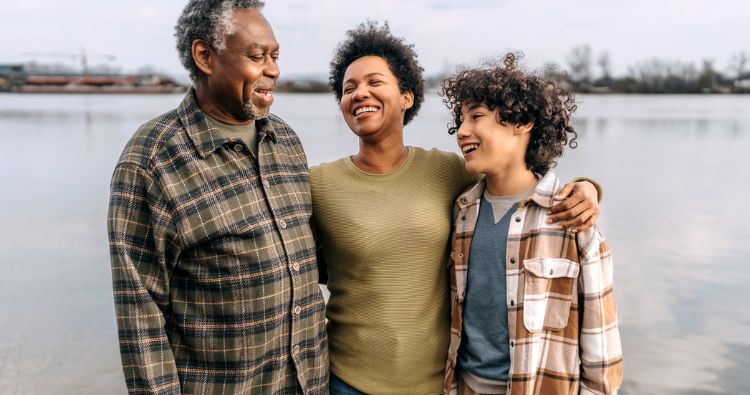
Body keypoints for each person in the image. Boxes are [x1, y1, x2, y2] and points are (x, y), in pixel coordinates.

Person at [310, 22, 602, 395]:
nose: (359, 93)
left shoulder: (449, 172)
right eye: (348, 88)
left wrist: (589, 189)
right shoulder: (319, 183)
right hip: (348, 382)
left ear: (407, 97)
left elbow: (517, 184)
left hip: (440, 383)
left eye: (374, 82)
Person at [107, 1, 327, 393]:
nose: (273, 70)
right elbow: (141, 319)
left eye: (275, 56)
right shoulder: (152, 160)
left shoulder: (285, 140)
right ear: (205, 56)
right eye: (256, 56)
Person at [440, 53, 623, 395]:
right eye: (460, 120)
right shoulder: (461, 212)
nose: (462, 131)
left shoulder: (572, 219)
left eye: (477, 116)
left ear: (523, 122)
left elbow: (602, 346)